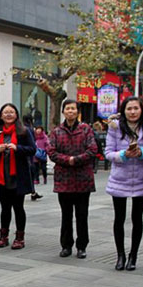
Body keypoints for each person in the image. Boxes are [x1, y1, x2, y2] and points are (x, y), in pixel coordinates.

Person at [104, 97, 143, 271]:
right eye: (129, 109)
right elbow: (108, 152)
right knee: (119, 218)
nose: (132, 112)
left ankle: (133, 256)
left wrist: (142, 152)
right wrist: (123, 154)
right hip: (120, 178)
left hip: (141, 178)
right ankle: (120, 255)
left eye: (136, 108)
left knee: (137, 218)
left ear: (141, 110)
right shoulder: (115, 127)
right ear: (123, 111)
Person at [48, 99, 98, 259]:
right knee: (66, 215)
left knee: (82, 215)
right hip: (64, 179)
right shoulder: (57, 131)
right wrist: (66, 160)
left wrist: (75, 160)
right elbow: (51, 151)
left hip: (83, 179)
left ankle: (82, 246)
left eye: (73, 109)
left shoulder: (86, 129)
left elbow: (92, 150)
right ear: (63, 112)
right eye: (67, 109)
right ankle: (66, 245)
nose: (70, 111)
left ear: (77, 112)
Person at [0, 103, 35, 249]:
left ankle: (20, 238)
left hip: (18, 177)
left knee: (18, 207)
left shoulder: (24, 131)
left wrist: (18, 148)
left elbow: (32, 149)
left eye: (11, 112)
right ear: (1, 115)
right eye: (5, 112)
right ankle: (3, 236)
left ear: (16, 115)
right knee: (5, 208)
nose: (8, 115)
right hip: (1, 177)